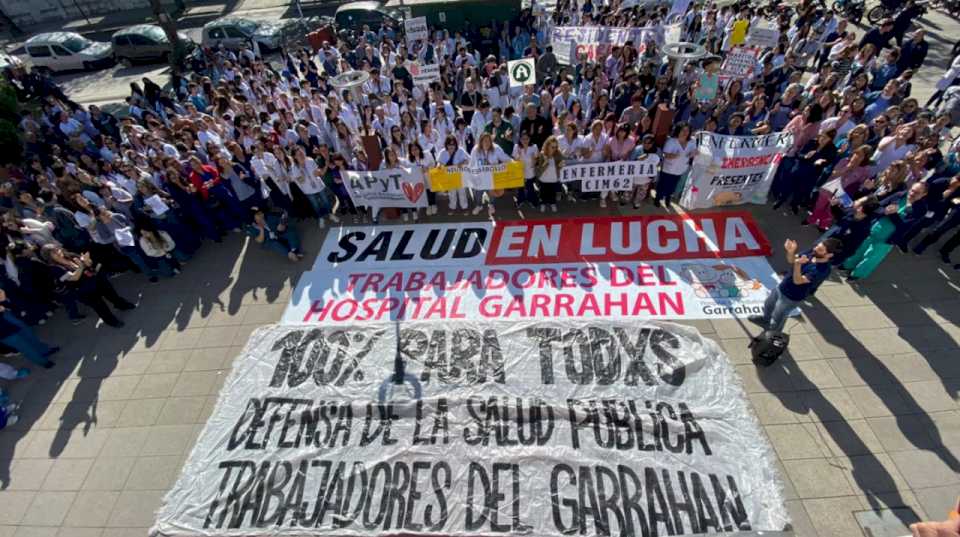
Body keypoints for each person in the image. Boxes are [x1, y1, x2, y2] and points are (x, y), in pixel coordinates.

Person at [749, 238, 842, 332]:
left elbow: (798, 281)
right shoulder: (812, 252)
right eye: (817, 246)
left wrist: (798, 265)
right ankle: (765, 320)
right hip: (782, 286)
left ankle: (773, 334)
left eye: (820, 249)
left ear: (829, 255)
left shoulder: (822, 270)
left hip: (792, 297)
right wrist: (791, 251)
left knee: (778, 316)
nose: (815, 249)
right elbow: (792, 260)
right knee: (768, 304)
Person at [0, 289, 58, 368]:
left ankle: (45, 350)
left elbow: (5, 302)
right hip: (3, 331)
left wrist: (3, 301)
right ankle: (43, 361)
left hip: (7, 317)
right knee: (23, 346)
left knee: (29, 335)